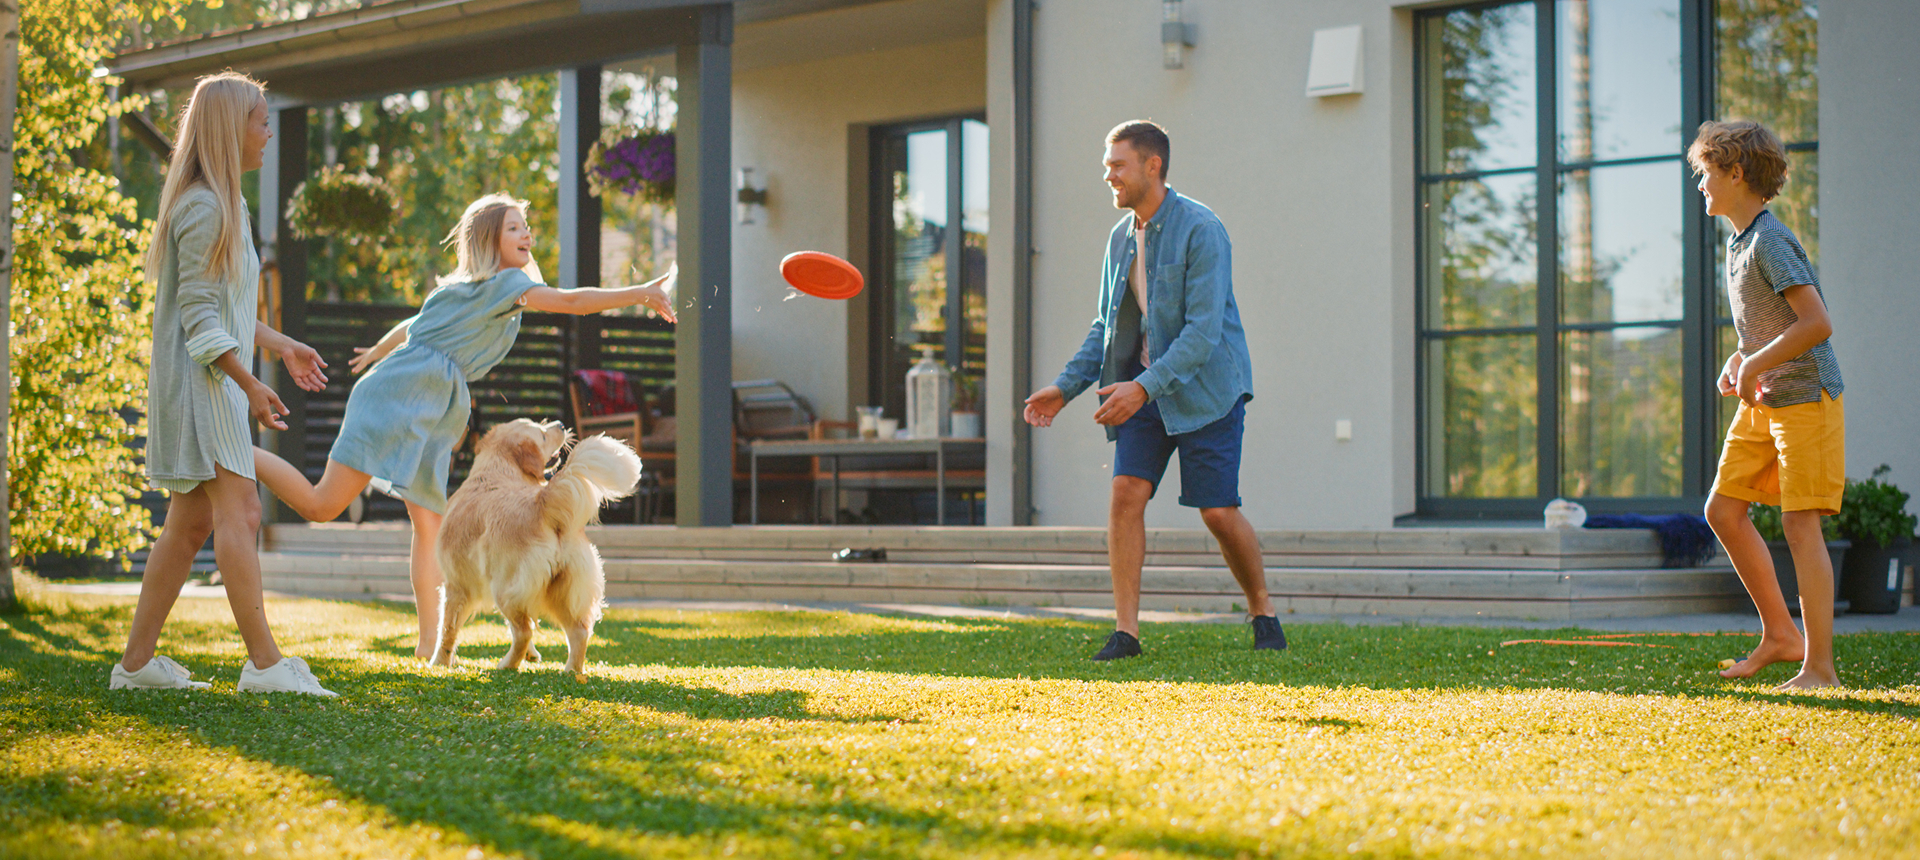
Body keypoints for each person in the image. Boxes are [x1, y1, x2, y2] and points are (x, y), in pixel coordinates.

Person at [251, 194, 675, 660]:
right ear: (490, 239)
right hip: (399, 399)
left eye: (525, 226)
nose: (526, 234)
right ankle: (241, 453)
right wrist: (639, 293)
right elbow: (571, 301)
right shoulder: (506, 283)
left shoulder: (469, 288)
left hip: (424, 406)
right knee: (321, 505)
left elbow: (414, 325)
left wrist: (379, 350)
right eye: (513, 227)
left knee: (430, 527)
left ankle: (430, 646)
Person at [1023, 120, 1285, 661]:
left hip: (1208, 389)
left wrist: (1142, 388)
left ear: (1153, 165)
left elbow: (1202, 333)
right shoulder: (1120, 239)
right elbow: (1106, 327)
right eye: (1106, 166)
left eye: (1117, 165)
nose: (1108, 176)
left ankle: (1262, 609)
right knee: (1126, 494)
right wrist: (1064, 388)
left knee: (1217, 512)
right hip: (1142, 388)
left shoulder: (1202, 229)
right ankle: (1127, 632)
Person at [116, 72, 338, 696]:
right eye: (261, 121)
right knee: (240, 510)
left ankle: (134, 667)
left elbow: (229, 312)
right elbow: (199, 319)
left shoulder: (230, 205)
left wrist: (282, 345)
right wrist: (250, 384)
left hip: (213, 383)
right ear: (229, 128)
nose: (269, 132)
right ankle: (265, 665)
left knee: (190, 526)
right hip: (201, 388)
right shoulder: (203, 207)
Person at [1692, 120, 1846, 690]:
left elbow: (1816, 323)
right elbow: (1768, 326)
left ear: (1736, 173)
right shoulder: (1737, 244)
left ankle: (1819, 668)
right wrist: (1741, 359)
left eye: (1706, 173)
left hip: (1806, 396)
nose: (1700, 185)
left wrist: (1753, 364)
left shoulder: (1770, 241)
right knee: (1723, 510)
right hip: (1765, 398)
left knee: (1800, 525)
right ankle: (1781, 634)